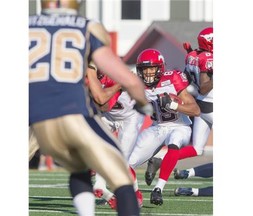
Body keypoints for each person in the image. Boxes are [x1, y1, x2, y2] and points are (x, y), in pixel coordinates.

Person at [29, 1, 153, 215]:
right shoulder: (87, 27)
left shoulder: (27, 26)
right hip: (73, 114)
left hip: (37, 118)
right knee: (121, 178)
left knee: (79, 167)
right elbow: (128, 83)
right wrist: (144, 104)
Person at [128, 48, 200, 206]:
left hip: (179, 126)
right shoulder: (137, 84)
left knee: (174, 143)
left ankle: (158, 189)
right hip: (158, 127)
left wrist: (173, 105)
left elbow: (195, 110)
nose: (148, 73)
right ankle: (135, 195)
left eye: (151, 69)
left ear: (160, 69)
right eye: (144, 69)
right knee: (127, 164)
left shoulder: (172, 78)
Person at [144, 27, 214, 186]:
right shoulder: (208, 58)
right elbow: (204, 86)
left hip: (201, 105)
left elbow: (186, 79)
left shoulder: (192, 56)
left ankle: (160, 159)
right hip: (212, 104)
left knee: (197, 149)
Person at [86, 64, 145, 209]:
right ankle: (99, 184)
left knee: (121, 159)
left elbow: (105, 105)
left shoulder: (114, 74)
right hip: (108, 116)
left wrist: (118, 85)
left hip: (129, 117)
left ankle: (135, 192)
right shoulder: (86, 75)